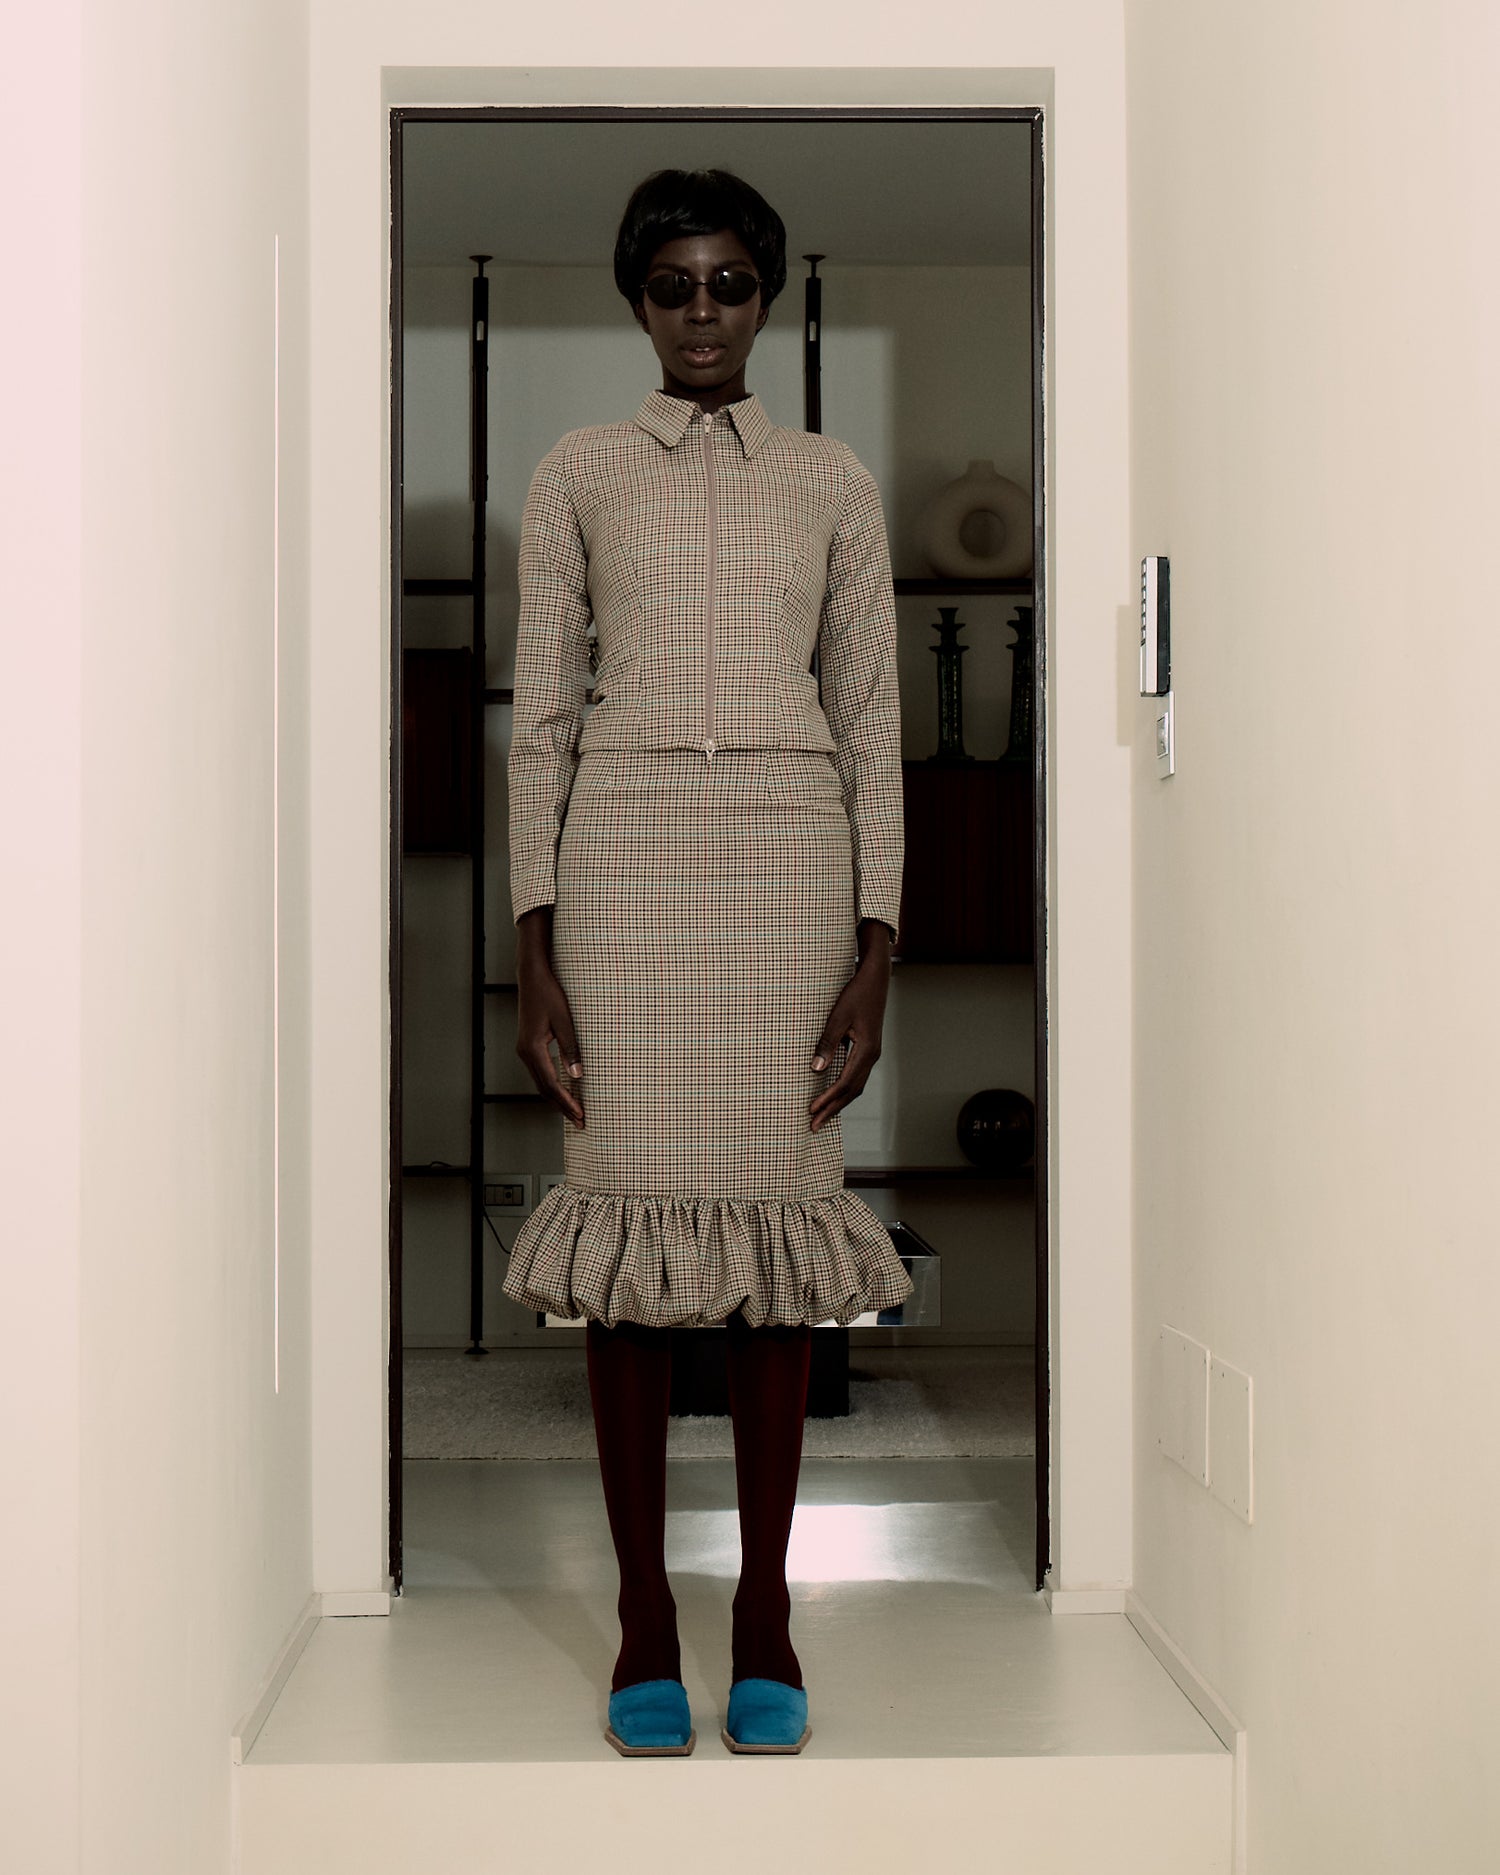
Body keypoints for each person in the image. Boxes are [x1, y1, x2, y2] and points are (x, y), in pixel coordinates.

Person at [504, 167, 911, 1759]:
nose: (701, 313)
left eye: (729, 284)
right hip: (622, 869)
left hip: (791, 870)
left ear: (766, 297)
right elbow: (542, 714)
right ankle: (641, 1620)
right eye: (673, 285)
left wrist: (878, 947)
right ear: (637, 299)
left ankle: (764, 1616)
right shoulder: (578, 472)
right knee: (626, 1249)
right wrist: (534, 946)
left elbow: (871, 716)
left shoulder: (832, 481)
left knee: (773, 1255)